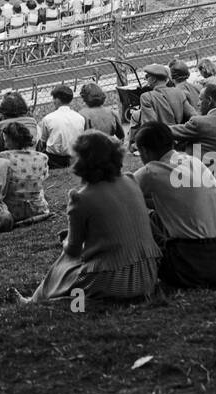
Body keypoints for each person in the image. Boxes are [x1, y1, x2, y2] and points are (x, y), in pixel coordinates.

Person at [10, 131, 160, 305]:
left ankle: (33, 301)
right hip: (147, 274)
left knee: (65, 261)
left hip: (116, 281)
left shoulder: (81, 197)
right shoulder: (131, 180)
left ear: (81, 161)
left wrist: (66, 240)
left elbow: (73, 250)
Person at [133, 122, 216, 288]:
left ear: (144, 151)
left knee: (134, 216)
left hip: (188, 269)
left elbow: (121, 194)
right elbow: (177, 202)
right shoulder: (193, 161)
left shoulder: (152, 171)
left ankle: (126, 272)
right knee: (154, 215)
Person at [0, 120, 50, 223]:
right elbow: (43, 178)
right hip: (38, 208)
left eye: (6, 140)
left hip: (13, 211)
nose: (5, 144)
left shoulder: (3, 156)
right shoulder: (42, 157)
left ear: (11, 140)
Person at [36, 84, 84, 168]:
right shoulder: (80, 118)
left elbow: (43, 141)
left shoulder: (48, 119)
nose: (53, 101)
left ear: (57, 100)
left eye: (54, 98)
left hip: (54, 159)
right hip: (76, 156)